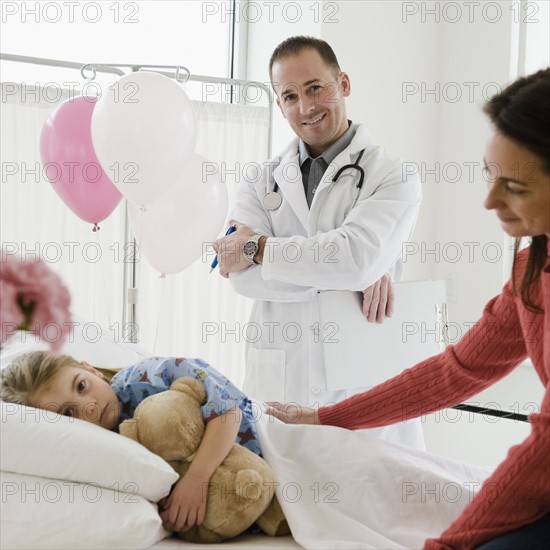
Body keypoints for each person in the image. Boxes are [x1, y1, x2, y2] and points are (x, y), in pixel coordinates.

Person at [266, 68, 550, 550]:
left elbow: (543, 452)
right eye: (490, 175)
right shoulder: (532, 269)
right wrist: (326, 417)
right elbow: (456, 372)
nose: (489, 200)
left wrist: (449, 544)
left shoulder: (392, 173)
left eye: (515, 187)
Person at [213, 36, 423, 448]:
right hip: (280, 378)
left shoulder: (393, 175)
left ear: (343, 83)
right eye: (290, 95)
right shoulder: (260, 180)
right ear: (279, 105)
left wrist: (258, 249)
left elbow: (356, 258)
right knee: (276, 503)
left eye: (315, 87)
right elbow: (243, 281)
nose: (306, 107)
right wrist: (346, 272)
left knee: (366, 503)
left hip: (360, 383)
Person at [0, 351, 261, 534]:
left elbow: (228, 409)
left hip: (266, 439)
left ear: (89, 368)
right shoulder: (99, 450)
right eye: (69, 413)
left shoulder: (145, 378)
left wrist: (197, 478)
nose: (89, 407)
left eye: (82, 386)